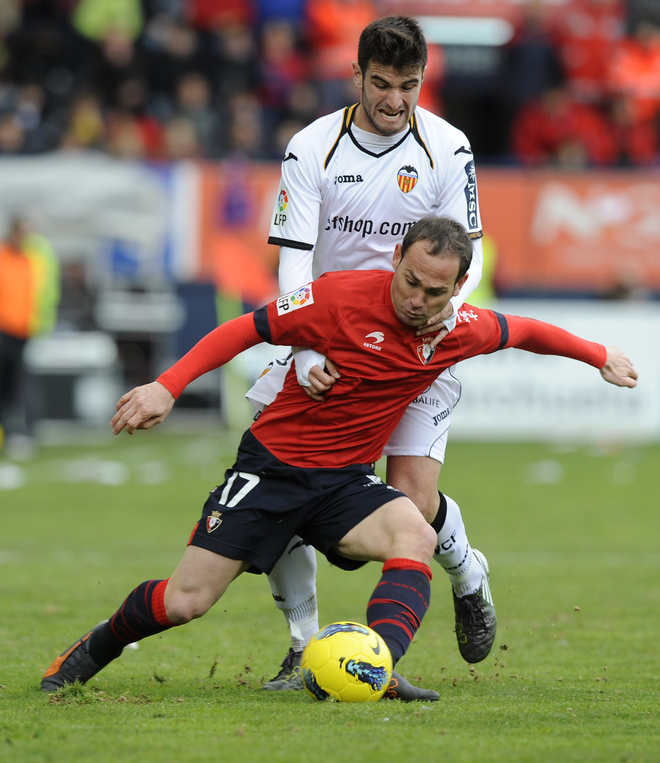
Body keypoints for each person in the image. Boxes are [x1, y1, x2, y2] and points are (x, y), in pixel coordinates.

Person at [41, 216, 638, 697]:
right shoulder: (337, 297)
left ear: (457, 288)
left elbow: (527, 331)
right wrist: (166, 386)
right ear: (397, 260)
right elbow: (244, 330)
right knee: (185, 602)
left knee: (414, 533)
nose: (418, 299)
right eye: (410, 281)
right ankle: (96, 648)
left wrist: (598, 355)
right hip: (270, 470)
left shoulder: (461, 328)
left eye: (435, 291)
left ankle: (374, 668)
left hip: (345, 484)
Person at [247, 14, 491, 693]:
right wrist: (301, 348)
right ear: (355, 76)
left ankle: (467, 572)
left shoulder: (449, 148)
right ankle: (303, 646)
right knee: (280, 485)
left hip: (417, 340)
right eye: (381, 84)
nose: (394, 101)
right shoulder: (310, 148)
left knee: (412, 494)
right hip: (330, 342)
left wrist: (440, 315)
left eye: (408, 86)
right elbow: (295, 266)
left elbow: (467, 257)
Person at [0, 213, 60, 454]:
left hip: (22, 332)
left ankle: (16, 432)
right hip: (3, 329)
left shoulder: (30, 259)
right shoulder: (4, 257)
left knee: (15, 385)